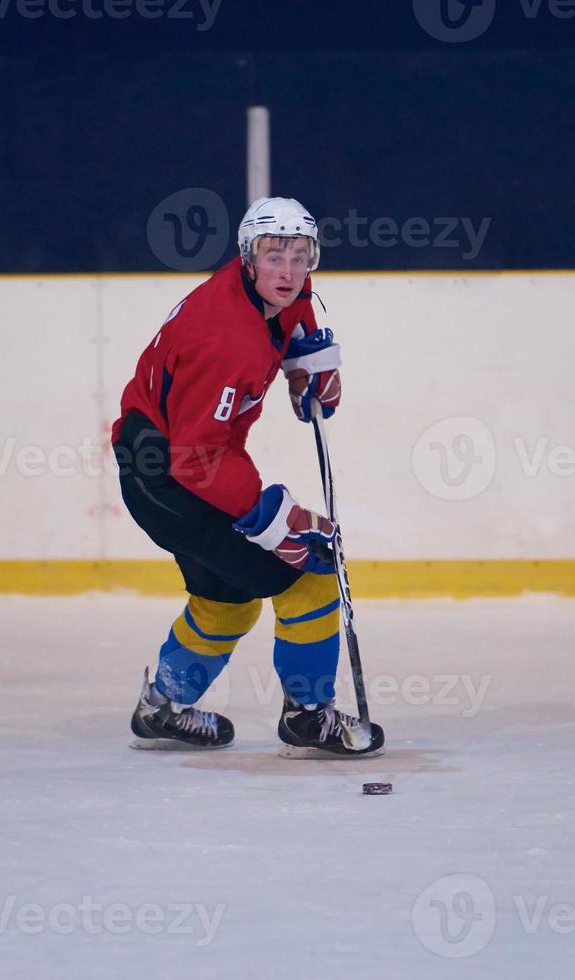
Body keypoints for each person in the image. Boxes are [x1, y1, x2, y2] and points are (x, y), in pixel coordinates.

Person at [111, 196, 385, 758]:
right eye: (273, 255)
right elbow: (198, 457)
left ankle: (162, 706)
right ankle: (309, 717)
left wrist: (305, 354)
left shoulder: (268, 289)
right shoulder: (225, 339)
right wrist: (270, 518)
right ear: (247, 257)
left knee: (228, 599)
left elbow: (296, 305)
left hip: (168, 462)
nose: (287, 271)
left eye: (300, 255)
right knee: (309, 575)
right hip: (170, 476)